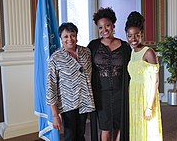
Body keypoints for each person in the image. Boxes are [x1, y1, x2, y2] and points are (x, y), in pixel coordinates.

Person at [46, 22, 95, 141]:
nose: (70, 39)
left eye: (72, 35)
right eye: (66, 36)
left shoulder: (86, 52)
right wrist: (54, 114)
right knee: (70, 136)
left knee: (81, 134)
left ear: (76, 36)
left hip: (84, 101)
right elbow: (51, 86)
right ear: (61, 39)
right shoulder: (56, 58)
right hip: (68, 104)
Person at [88, 7, 131, 141]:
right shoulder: (93, 46)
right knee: (105, 128)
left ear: (113, 25)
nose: (104, 30)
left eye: (107, 25)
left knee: (119, 126)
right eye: (100, 27)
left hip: (121, 93)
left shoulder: (125, 46)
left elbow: (132, 68)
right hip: (101, 94)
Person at [125, 11, 163, 141]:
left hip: (146, 96)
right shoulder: (132, 52)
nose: (133, 39)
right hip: (134, 95)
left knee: (148, 130)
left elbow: (155, 82)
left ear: (142, 35)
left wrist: (149, 107)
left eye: (137, 35)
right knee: (137, 128)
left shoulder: (149, 52)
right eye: (130, 36)